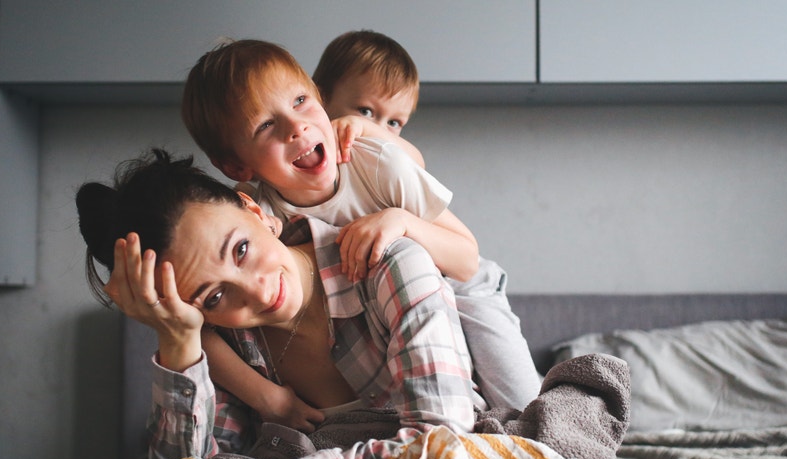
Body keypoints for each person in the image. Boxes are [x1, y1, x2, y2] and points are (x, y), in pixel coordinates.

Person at [76, 149, 483, 459]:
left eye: (240, 250)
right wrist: (180, 340)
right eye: (215, 296)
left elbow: (443, 443)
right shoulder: (227, 345)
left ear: (254, 210)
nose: (258, 291)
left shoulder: (388, 266)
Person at [181, 38, 542, 417]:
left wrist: (402, 222)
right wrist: (267, 398)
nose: (296, 127)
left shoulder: (377, 165)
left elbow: (467, 259)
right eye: (267, 125)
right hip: (387, 310)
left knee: (525, 407)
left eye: (300, 101)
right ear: (237, 167)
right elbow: (201, 329)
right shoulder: (258, 215)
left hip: (463, 284)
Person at [312, 30, 423, 166]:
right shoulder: (305, 147)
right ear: (320, 99)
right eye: (366, 111)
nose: (378, 130)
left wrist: (364, 128)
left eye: (393, 123)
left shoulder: (380, 165)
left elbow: (418, 162)